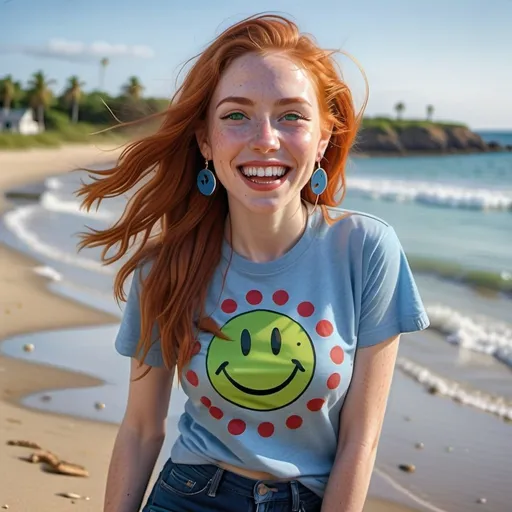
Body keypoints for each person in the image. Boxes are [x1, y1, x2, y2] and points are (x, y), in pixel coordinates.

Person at [78, 13, 430, 512]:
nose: (265, 138)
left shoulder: (366, 250)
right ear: (206, 141)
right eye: (236, 115)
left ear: (324, 138)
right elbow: (139, 429)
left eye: (291, 115)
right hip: (187, 495)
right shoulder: (166, 267)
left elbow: (360, 440)